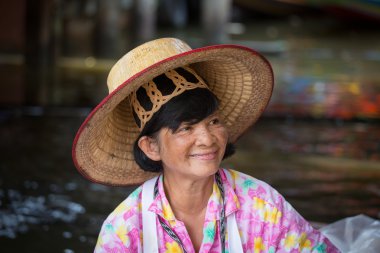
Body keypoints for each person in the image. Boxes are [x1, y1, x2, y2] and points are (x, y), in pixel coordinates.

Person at [72, 38, 340, 252]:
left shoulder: (262, 207)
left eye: (213, 121)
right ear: (151, 147)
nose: (208, 139)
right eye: (186, 128)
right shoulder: (125, 230)